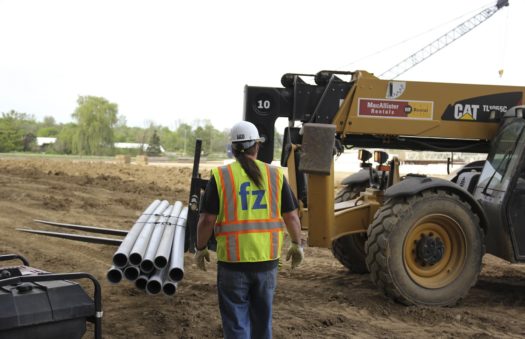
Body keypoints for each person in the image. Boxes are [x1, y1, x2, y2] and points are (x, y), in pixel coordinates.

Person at [195, 120, 304, 339]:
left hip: (232, 264)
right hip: (266, 262)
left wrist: (201, 247)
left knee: (236, 324)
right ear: (257, 146)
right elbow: (291, 216)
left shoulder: (221, 176)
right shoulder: (275, 175)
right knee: (262, 323)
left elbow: (207, 220)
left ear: (233, 148)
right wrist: (296, 244)